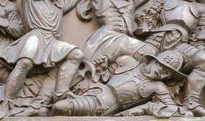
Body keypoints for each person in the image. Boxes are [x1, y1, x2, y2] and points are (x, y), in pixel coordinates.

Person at [0, 0, 84, 117]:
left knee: (77, 55)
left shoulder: (59, 5)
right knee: (25, 63)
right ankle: (7, 102)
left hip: (51, 41)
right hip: (35, 37)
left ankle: (60, 93)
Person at [78, 0, 163, 82]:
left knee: (135, 59)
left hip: (123, 41)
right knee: (148, 51)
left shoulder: (131, 1)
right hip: (106, 39)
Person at [136, 0, 205, 116]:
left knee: (203, 59)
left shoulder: (201, 9)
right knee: (139, 61)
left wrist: (199, 53)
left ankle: (192, 102)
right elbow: (148, 18)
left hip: (181, 47)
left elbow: (198, 38)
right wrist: (144, 26)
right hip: (158, 39)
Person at [52, 51, 191, 117]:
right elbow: (103, 78)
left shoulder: (158, 87)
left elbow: (171, 108)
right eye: (163, 69)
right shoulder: (127, 61)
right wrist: (102, 68)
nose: (164, 75)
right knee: (57, 106)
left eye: (168, 74)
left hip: (103, 107)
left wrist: (144, 108)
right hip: (93, 91)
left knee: (60, 107)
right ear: (155, 61)